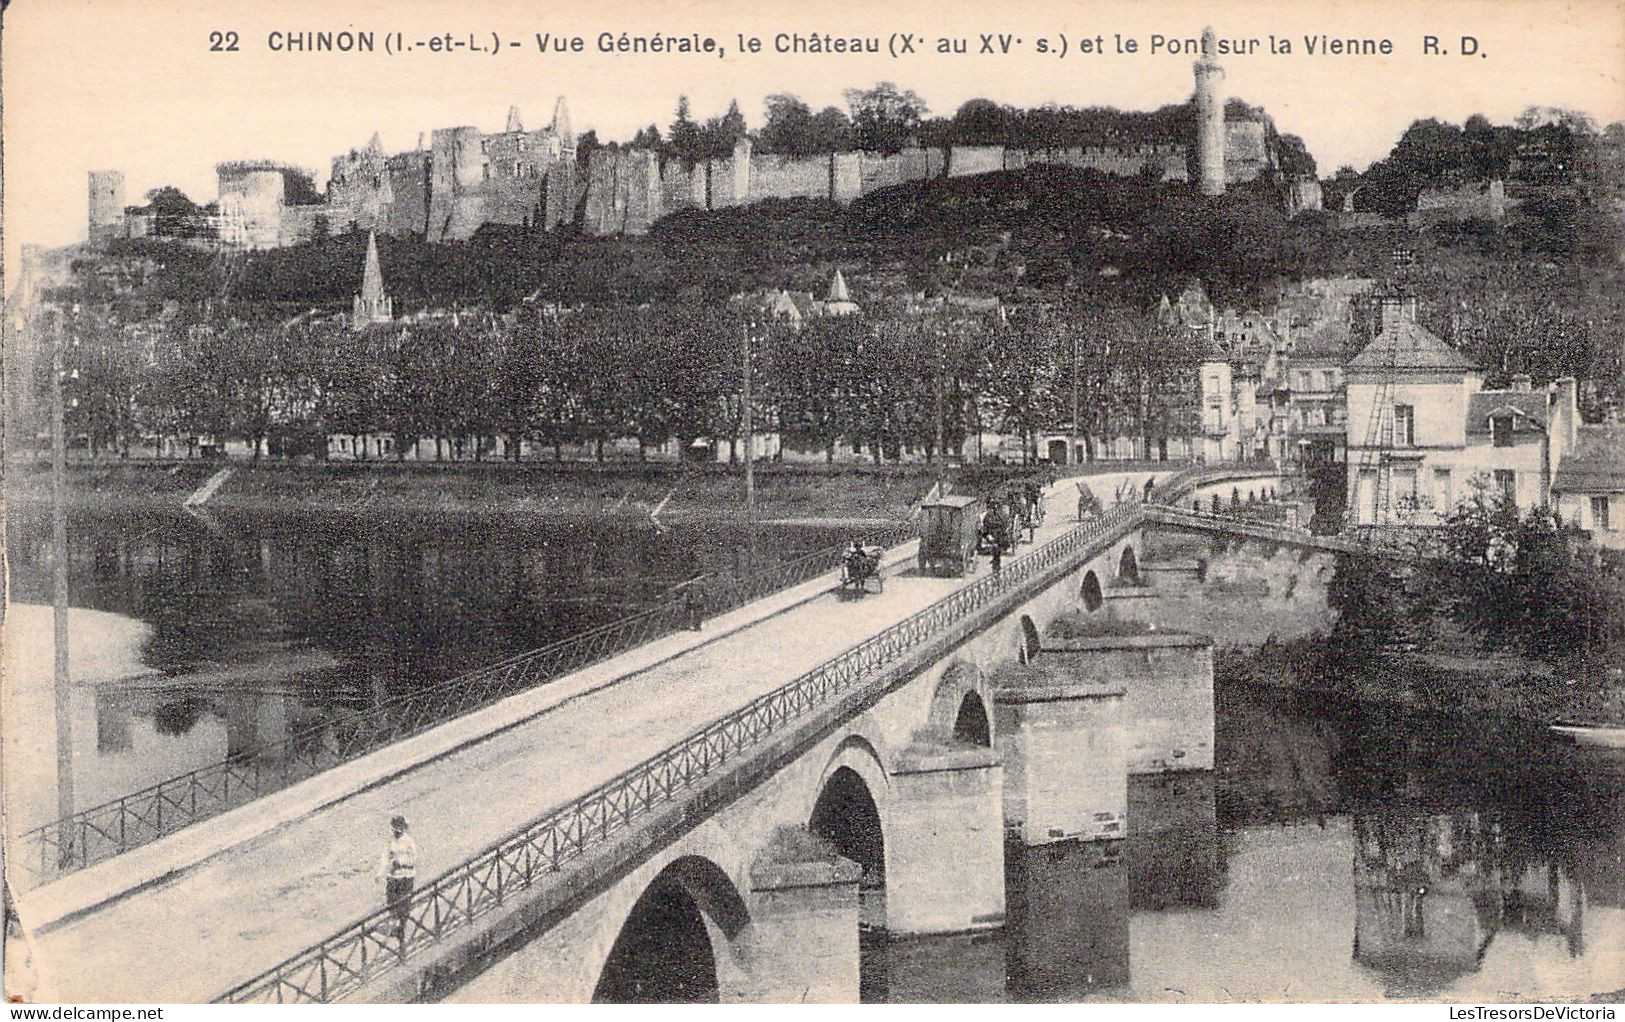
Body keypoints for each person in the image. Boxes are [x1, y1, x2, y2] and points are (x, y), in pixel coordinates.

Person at [377, 814, 418, 947]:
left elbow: (414, 859)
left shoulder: (409, 841)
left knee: (404, 902)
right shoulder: (391, 841)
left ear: (404, 828)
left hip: (406, 875)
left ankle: (402, 928)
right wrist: (380, 873)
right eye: (395, 827)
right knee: (392, 901)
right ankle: (396, 925)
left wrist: (401, 862)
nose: (396, 830)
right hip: (394, 876)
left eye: (399, 827)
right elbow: (385, 856)